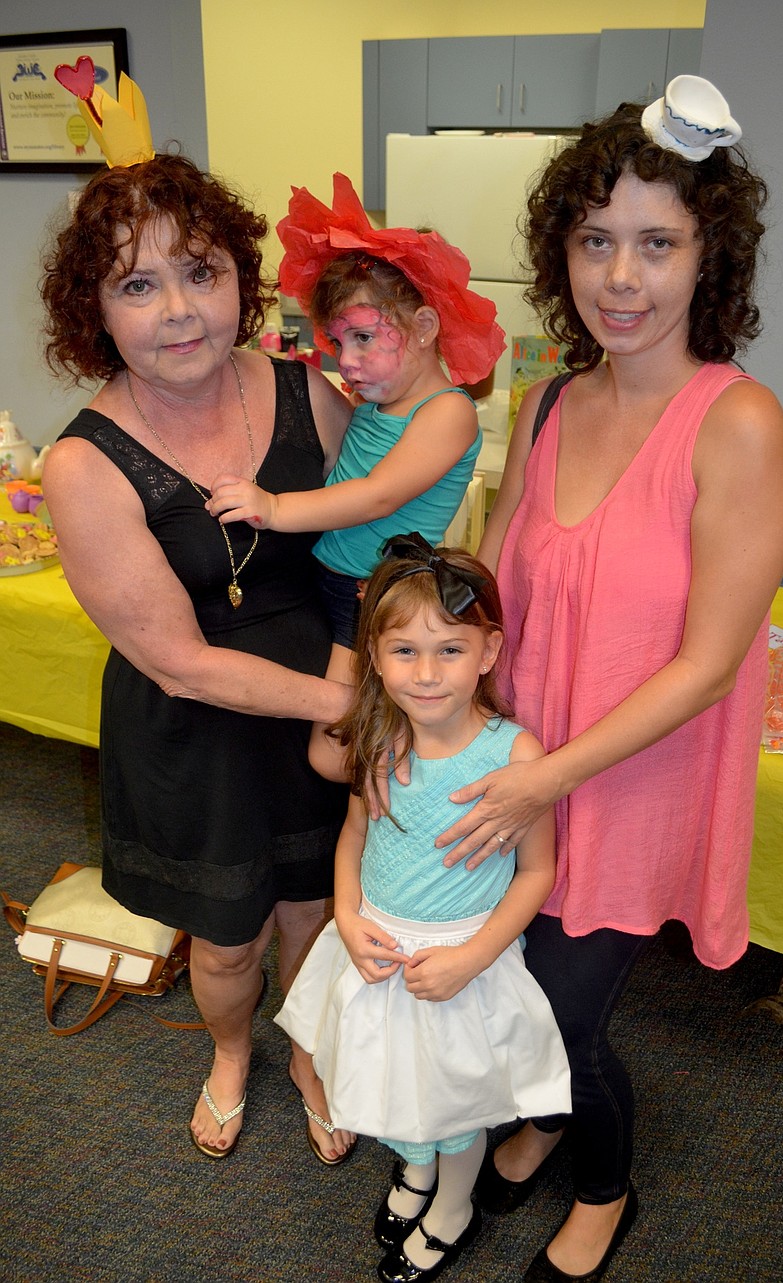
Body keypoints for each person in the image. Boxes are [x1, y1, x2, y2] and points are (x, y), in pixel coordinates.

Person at [415, 77, 783, 1281]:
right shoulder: (545, 403)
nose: (619, 278)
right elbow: (509, 598)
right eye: (594, 241)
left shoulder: (738, 424)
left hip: (631, 782)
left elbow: (708, 660)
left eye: (656, 243)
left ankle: (605, 1186)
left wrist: (546, 782)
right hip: (527, 765)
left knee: (549, 1013)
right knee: (504, 992)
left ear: (708, 256)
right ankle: (536, 1122)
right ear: (560, 253)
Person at [40, 128, 358, 1163]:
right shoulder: (86, 465)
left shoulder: (311, 391)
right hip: (201, 724)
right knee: (228, 936)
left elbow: (371, 543)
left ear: (241, 280)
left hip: (324, 693)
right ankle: (229, 1051)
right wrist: (348, 710)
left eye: (201, 271)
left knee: (316, 908)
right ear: (96, 311)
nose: (179, 308)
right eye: (139, 284)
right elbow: (176, 658)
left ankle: (307, 1050)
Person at [276, 535, 571, 1283]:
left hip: (461, 962)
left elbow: (538, 871)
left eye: (449, 649)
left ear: (487, 650)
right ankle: (414, 1172)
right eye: (405, 650)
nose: (427, 672)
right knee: (398, 1082)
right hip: (376, 944)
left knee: (452, 1106)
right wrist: (346, 913)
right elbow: (353, 836)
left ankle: (452, 1207)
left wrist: (473, 959)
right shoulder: (376, 738)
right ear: (373, 655)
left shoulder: (515, 757)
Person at [206, 173, 504, 773]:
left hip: (364, 591)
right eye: (339, 343)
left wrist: (274, 507)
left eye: (365, 338)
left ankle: (404, 797)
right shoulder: (378, 402)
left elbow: (374, 497)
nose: (349, 361)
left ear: (423, 328)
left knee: (330, 752)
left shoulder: (447, 413)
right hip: (330, 575)